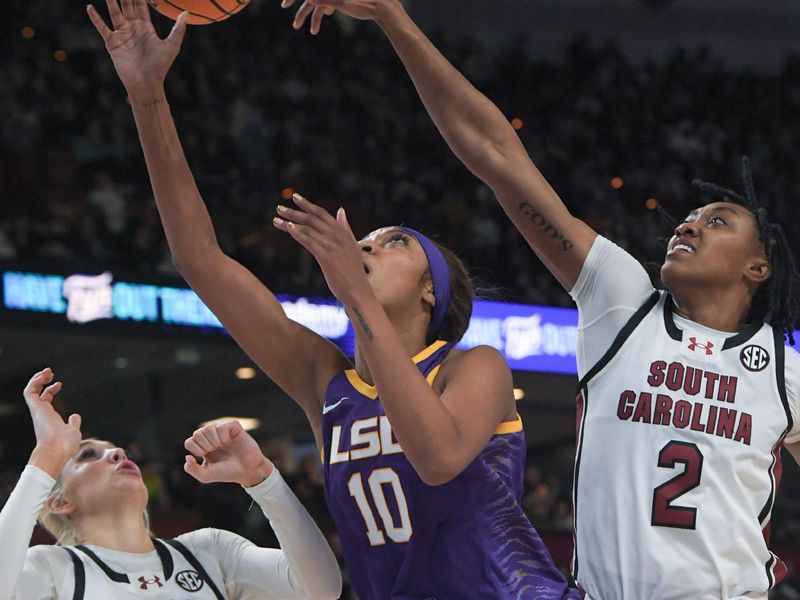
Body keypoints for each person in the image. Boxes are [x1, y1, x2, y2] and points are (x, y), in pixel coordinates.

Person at [286, 1, 800, 598]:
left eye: (717, 222)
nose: (688, 225)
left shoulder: (785, 374)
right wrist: (396, 20)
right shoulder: (623, 303)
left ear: (758, 266)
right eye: (688, 217)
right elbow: (497, 155)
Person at [86, 1, 580, 597]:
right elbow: (200, 260)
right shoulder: (327, 382)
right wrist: (147, 97)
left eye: (393, 242)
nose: (366, 246)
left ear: (431, 291)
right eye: (363, 241)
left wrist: (355, 294)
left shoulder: (474, 367)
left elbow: (439, 457)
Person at [0, 367, 342, 599]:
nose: (117, 453)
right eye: (88, 456)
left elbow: (321, 589)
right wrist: (47, 454)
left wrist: (262, 479)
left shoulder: (209, 551)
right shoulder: (53, 567)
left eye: (114, 449)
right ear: (60, 502)